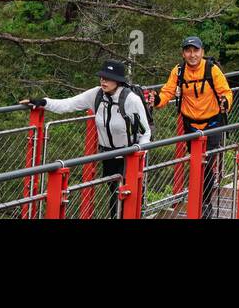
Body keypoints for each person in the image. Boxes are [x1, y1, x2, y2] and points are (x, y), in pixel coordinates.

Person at [20, 59, 150, 218]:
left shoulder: (131, 100)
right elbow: (67, 104)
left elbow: (145, 132)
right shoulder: (96, 95)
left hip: (129, 155)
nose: (103, 81)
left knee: (123, 195)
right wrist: (42, 102)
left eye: (108, 78)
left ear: (118, 81)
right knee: (114, 193)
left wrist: (138, 155)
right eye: (102, 77)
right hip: (107, 155)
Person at [146, 36, 233, 218]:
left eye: (196, 50)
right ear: (183, 53)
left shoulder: (212, 69)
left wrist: (226, 102)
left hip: (212, 122)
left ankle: (205, 202)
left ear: (202, 52)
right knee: (195, 163)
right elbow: (168, 92)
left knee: (206, 162)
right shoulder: (178, 71)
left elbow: (225, 92)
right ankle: (199, 199)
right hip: (190, 124)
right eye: (188, 51)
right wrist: (156, 100)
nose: (192, 55)